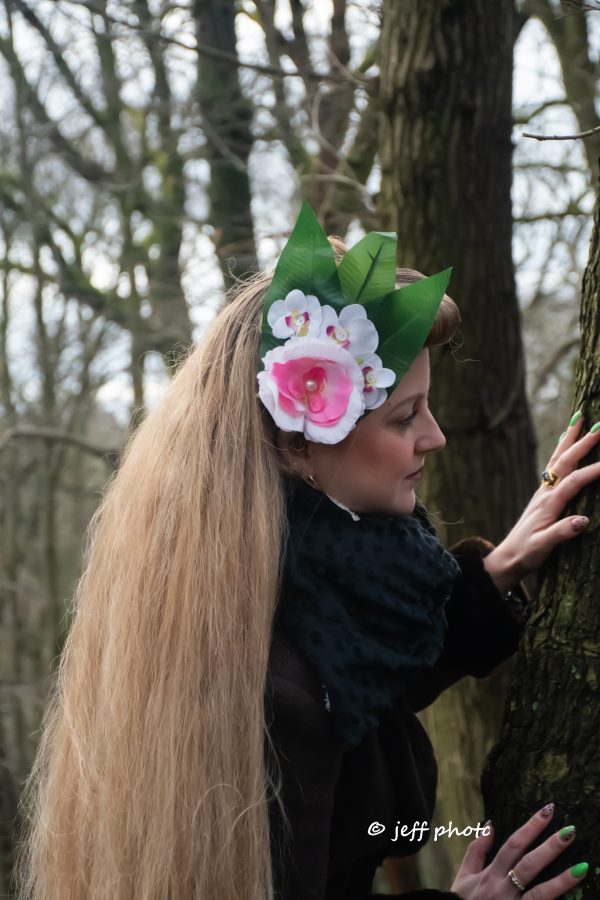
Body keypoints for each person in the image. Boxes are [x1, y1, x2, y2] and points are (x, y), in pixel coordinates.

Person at [13, 205, 600, 900]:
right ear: (299, 445)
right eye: (404, 416)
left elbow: (368, 677)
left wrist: (498, 569)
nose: (435, 437)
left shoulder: (310, 580)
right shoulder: (261, 680)